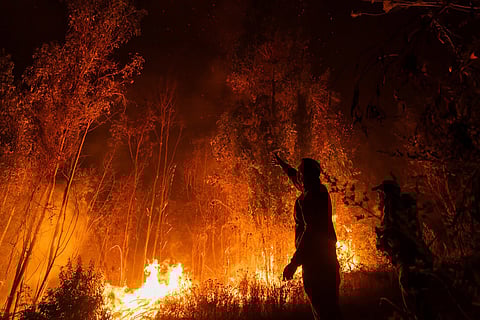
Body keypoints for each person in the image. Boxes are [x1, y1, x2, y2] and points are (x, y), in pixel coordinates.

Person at [274, 153, 342, 320]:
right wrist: (283, 165)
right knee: (326, 311)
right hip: (323, 262)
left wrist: (293, 263)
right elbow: (296, 179)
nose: (298, 174)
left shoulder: (313, 196)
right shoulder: (315, 190)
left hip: (318, 265)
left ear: (308, 175)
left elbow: (311, 232)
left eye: (301, 171)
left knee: (325, 312)